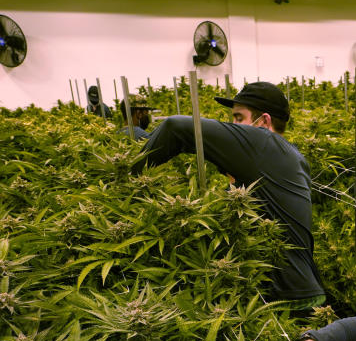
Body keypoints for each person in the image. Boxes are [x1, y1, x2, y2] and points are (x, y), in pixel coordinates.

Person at [130, 81, 325, 308]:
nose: (233, 125)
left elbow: (175, 127)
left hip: (288, 300)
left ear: (264, 121)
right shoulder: (291, 154)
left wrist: (130, 174)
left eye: (239, 118)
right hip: (297, 290)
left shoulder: (263, 142)